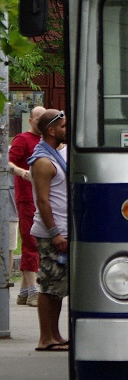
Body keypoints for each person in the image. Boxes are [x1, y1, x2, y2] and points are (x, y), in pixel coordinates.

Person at [29, 109, 70, 352]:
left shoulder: (56, 154)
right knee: (48, 286)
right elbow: (42, 201)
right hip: (50, 234)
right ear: (51, 131)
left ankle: (55, 335)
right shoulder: (43, 161)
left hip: (62, 230)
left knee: (58, 287)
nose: (67, 129)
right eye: (63, 127)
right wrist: (55, 233)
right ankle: (45, 338)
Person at [7, 105, 45, 307]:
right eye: (38, 119)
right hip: (27, 197)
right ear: (30, 121)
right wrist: (22, 172)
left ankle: (23, 292)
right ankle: (32, 292)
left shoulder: (47, 141)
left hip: (43, 197)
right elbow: (8, 164)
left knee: (37, 241)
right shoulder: (22, 140)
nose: (42, 122)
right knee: (31, 242)